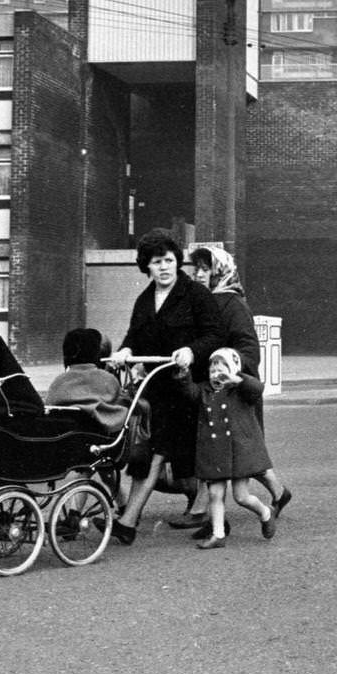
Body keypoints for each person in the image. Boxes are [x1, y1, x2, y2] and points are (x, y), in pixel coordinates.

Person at [107, 228, 225, 545]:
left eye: (170, 260)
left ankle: (128, 522)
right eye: (157, 262)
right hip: (157, 390)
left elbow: (215, 336)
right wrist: (125, 353)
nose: (164, 267)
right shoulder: (145, 300)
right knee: (152, 455)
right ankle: (131, 520)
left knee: (160, 454)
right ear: (146, 265)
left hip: (189, 389)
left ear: (177, 262)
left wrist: (191, 351)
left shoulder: (197, 295)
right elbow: (134, 336)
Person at [187, 244, 292, 526]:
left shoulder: (232, 304)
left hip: (235, 391)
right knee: (233, 450)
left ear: (219, 271)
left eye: (205, 269)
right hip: (216, 389)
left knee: (241, 449)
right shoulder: (208, 301)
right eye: (196, 268)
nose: (198, 274)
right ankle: (277, 494)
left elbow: (249, 350)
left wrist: (227, 369)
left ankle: (209, 514)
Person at [179, 347, 276, 549]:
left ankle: (265, 512)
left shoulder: (240, 389)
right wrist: (184, 372)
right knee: (215, 494)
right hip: (214, 452)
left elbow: (257, 388)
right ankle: (218, 535)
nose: (216, 375)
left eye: (221, 370)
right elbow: (189, 393)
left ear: (232, 370)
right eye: (212, 371)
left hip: (237, 452)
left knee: (241, 497)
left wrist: (238, 380)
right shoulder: (205, 390)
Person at [45, 327, 135, 513]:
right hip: (101, 442)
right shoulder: (107, 379)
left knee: (90, 469)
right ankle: (124, 507)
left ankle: (77, 512)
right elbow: (119, 402)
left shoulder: (59, 381)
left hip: (66, 442)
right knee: (102, 470)